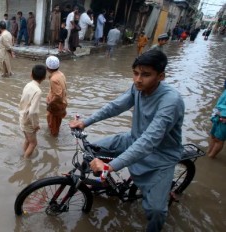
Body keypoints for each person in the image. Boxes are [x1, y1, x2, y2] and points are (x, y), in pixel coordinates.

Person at [69, 50, 184, 231]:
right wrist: (85, 122)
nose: (138, 79)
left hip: (160, 155)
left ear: (161, 76)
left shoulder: (171, 101)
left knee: (155, 211)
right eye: (136, 73)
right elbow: (115, 106)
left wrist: (111, 166)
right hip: (132, 139)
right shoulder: (137, 88)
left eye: (146, 75)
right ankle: (92, 183)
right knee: (92, 150)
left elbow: (149, 140)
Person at [19, 64, 47, 158]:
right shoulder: (38, 91)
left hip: (22, 116)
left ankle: (24, 153)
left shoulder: (28, 85)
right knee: (33, 143)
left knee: (27, 140)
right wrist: (35, 125)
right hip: (29, 120)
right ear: (44, 77)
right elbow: (33, 112)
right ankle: (25, 161)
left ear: (31, 74)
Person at [46, 56, 67, 137]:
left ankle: (53, 140)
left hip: (56, 105)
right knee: (52, 120)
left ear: (47, 67)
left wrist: (50, 104)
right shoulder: (61, 74)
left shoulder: (53, 79)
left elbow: (58, 96)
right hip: (60, 103)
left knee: (54, 127)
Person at [207, 89, 226, 158]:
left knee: (219, 140)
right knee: (213, 136)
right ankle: (208, 153)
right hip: (219, 114)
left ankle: (211, 157)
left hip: (223, 117)